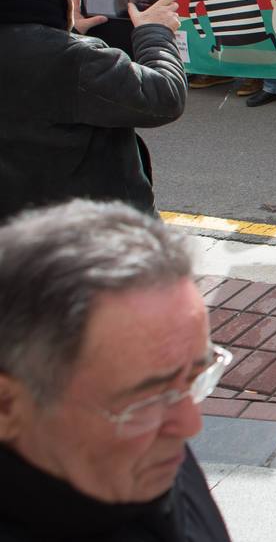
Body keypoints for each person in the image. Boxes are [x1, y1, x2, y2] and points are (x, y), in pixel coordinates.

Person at [0, 201, 231, 541]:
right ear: (7, 404)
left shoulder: (144, 458)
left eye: (196, 377)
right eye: (148, 399)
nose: (191, 425)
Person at [0, 0, 185, 218]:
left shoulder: (63, 51)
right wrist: (155, 32)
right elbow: (163, 97)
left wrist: (66, 28)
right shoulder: (73, 58)